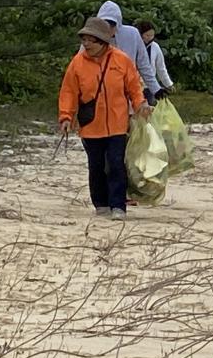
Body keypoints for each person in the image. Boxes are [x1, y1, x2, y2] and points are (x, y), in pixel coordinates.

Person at [59, 16, 149, 220]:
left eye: (90, 40)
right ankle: (100, 204)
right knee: (96, 166)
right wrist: (66, 116)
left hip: (117, 124)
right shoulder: (77, 64)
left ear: (102, 41)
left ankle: (118, 206)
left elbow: (134, 87)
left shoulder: (121, 60)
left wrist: (140, 104)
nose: (86, 44)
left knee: (116, 164)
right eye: (84, 39)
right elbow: (69, 92)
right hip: (91, 125)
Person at [96, 1, 159, 99]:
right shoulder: (91, 37)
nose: (108, 28)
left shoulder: (132, 34)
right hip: (99, 92)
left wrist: (156, 89)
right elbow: (81, 65)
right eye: (105, 23)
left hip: (128, 92)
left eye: (112, 24)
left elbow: (144, 64)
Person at [135, 20, 175, 100]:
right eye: (147, 35)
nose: (149, 38)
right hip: (134, 85)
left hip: (149, 86)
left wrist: (168, 84)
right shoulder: (133, 45)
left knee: (151, 106)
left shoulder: (155, 47)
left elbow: (161, 68)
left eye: (152, 35)